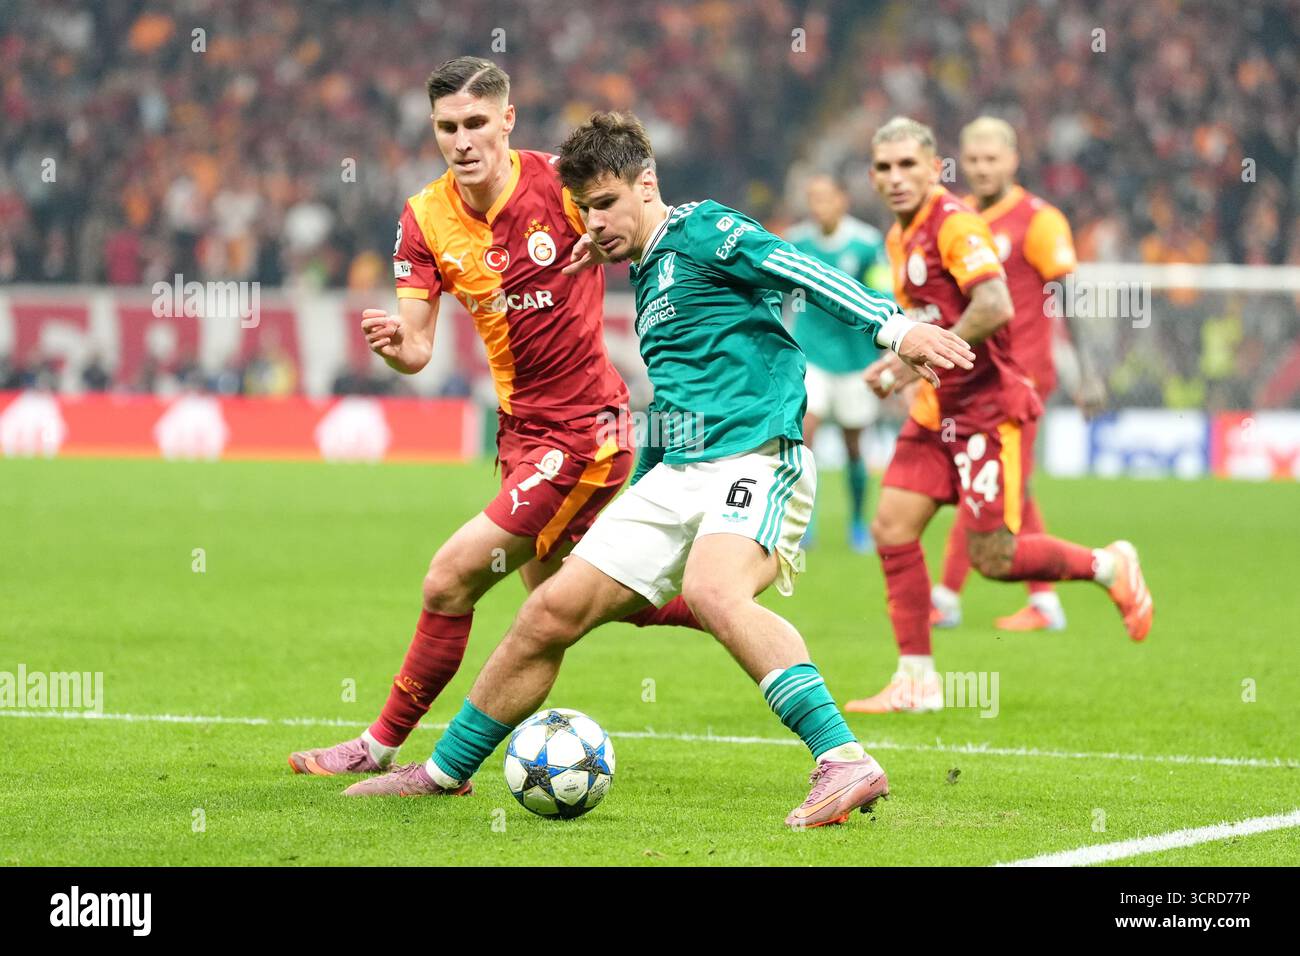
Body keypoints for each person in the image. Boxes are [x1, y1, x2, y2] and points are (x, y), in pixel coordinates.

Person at [343, 111, 974, 827]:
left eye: (607, 204)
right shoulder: (646, 270)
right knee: (547, 612)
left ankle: (844, 761)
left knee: (713, 590)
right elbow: (675, 399)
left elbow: (801, 269)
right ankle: (442, 771)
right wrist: (641, 485)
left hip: (759, 455)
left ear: (648, 184)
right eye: (584, 209)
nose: (594, 223)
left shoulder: (703, 228)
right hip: (678, 473)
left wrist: (897, 328)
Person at [288, 59, 699, 778]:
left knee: (450, 579)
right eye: (447, 127)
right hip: (520, 434)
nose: (462, 139)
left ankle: (382, 748)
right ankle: (720, 598)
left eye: (476, 123)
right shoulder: (423, 218)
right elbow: (417, 350)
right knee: (569, 592)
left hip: (585, 430)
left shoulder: (562, 186)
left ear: (507, 120)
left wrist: (602, 243)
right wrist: (395, 348)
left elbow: (639, 230)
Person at [844, 118, 1153, 715]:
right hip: (939, 410)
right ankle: (917, 681)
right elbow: (928, 317)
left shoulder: (957, 225)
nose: (895, 177)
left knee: (996, 557)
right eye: (883, 167)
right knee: (892, 525)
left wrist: (928, 353)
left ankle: (1108, 564)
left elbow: (996, 303)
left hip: (987, 409)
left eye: (908, 164)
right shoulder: (898, 236)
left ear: (936, 168)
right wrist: (899, 364)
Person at [930, 116, 1108, 633]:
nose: (983, 169)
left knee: (982, 483)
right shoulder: (956, 215)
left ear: (1014, 160)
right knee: (1012, 488)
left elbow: (1068, 296)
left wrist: (1089, 372)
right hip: (972, 378)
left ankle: (945, 595)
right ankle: (1046, 602)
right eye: (975, 159)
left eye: (993, 159)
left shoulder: (1039, 219)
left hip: (1020, 381)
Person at [786, 174, 891, 552]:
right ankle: (804, 526)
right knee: (804, 438)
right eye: (812, 198)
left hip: (855, 361)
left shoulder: (866, 243)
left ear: (842, 201)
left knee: (853, 447)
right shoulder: (796, 242)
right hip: (810, 355)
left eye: (825, 198)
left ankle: (859, 522)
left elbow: (884, 289)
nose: (818, 206)